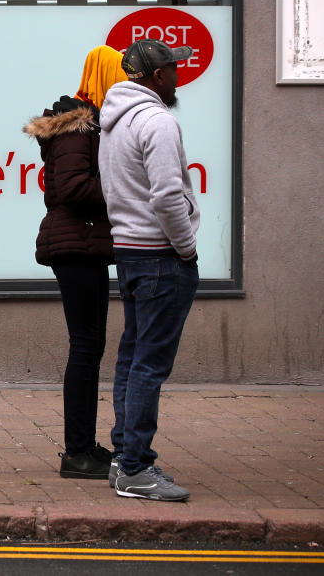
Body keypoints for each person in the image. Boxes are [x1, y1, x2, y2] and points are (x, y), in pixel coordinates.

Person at [99, 39, 199, 502]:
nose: (179, 76)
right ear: (157, 76)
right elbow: (165, 195)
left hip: (131, 252)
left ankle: (125, 458)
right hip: (160, 255)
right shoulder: (158, 121)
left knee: (132, 357)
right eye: (173, 70)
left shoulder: (113, 123)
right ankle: (136, 467)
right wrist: (187, 247)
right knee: (149, 365)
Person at [24, 45, 127, 479]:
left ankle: (84, 445)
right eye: (122, 75)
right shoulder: (77, 129)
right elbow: (71, 187)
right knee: (85, 346)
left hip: (85, 246)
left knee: (91, 345)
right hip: (75, 247)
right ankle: (76, 452)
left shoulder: (92, 126)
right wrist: (125, 188)